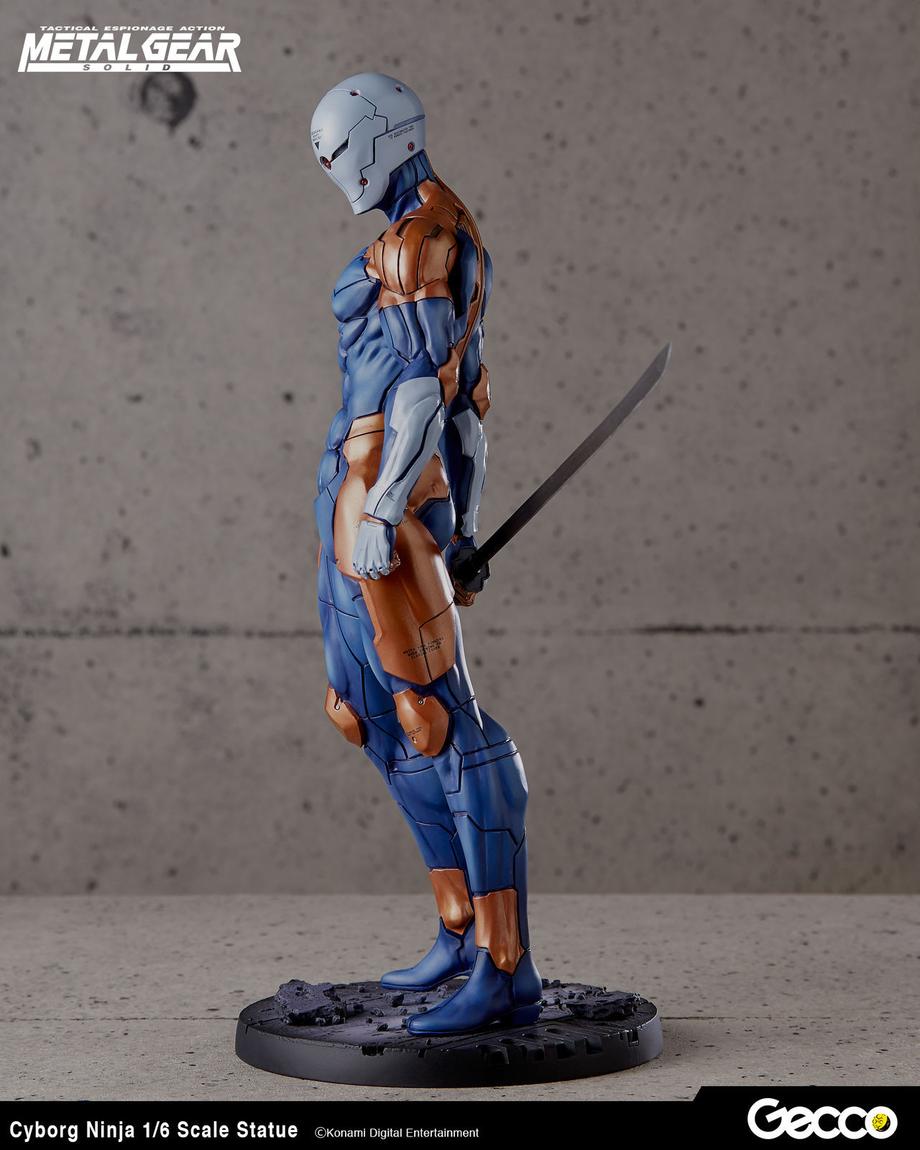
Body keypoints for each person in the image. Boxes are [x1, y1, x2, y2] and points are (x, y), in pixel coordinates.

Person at [309, 73, 540, 1035]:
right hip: (358, 489)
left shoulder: (423, 240)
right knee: (364, 712)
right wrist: (470, 525)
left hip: (384, 497)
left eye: (338, 150)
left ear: (383, 137)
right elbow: (472, 402)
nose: (333, 169)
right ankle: (456, 924)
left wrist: (392, 505)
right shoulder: (427, 231)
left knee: (441, 722)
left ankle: (504, 965)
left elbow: (425, 389)